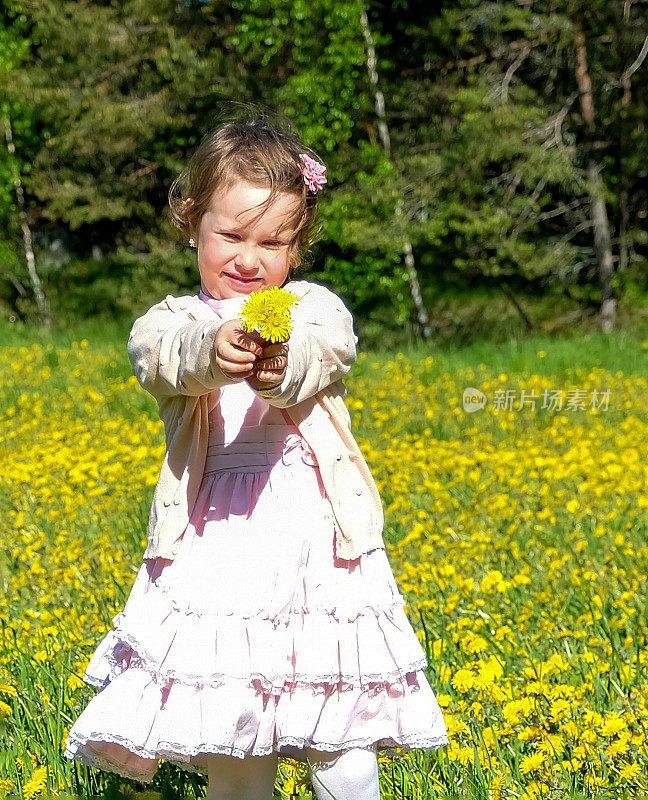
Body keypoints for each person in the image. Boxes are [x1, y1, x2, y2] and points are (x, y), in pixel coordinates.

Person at [63, 112, 448, 800]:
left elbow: (324, 351)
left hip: (319, 552)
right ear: (192, 224)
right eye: (231, 235)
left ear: (297, 247)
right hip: (219, 552)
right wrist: (212, 353)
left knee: (344, 748)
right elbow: (162, 362)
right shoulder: (173, 320)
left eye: (273, 241)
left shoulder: (311, 308)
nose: (249, 257)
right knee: (238, 750)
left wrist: (276, 368)